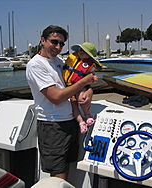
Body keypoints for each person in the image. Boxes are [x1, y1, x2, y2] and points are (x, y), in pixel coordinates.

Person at [26, 25, 98, 180]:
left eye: (61, 44)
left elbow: (72, 82)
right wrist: (86, 80)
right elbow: (56, 97)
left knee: (67, 163)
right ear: (43, 40)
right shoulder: (36, 65)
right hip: (53, 125)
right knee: (58, 172)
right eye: (54, 42)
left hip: (70, 120)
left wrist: (89, 88)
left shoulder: (58, 61)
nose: (58, 47)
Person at [62, 42, 102, 134]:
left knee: (82, 99)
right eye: (80, 50)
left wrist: (93, 79)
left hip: (81, 87)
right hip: (69, 87)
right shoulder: (73, 60)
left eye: (84, 51)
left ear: (90, 55)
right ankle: (81, 122)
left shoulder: (90, 65)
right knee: (74, 107)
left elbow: (91, 75)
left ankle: (87, 115)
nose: (81, 52)